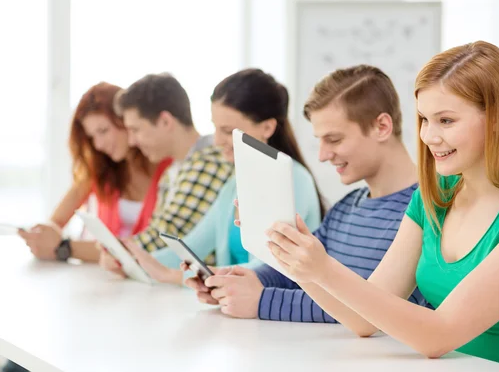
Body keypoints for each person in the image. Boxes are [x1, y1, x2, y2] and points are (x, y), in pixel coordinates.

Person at [264, 42, 499, 371]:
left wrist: (324, 269)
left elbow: (438, 336)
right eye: (424, 119)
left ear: (497, 119)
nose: (428, 136)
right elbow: (363, 319)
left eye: (446, 120)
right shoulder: (437, 195)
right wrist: (300, 263)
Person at [185, 65, 429, 321]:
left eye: (334, 140)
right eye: (320, 141)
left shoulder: (426, 210)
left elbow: (374, 306)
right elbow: (299, 273)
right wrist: (235, 281)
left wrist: (261, 301)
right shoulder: (346, 208)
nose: (322, 156)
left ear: (381, 127)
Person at [118, 68, 325, 285]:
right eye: (215, 128)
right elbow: (195, 245)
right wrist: (134, 261)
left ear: (267, 127)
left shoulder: (293, 181)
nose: (217, 141)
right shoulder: (234, 185)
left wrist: (181, 276)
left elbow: (271, 267)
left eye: (227, 131)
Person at [17, 82, 171, 262]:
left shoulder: (168, 168)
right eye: (92, 137)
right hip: (105, 278)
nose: (98, 144)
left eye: (103, 131)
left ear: (126, 121)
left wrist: (64, 247)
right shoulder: (100, 170)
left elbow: (153, 248)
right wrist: (44, 233)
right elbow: (56, 221)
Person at [98, 73, 233, 276]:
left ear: (165, 121)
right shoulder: (172, 172)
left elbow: (167, 235)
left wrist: (119, 251)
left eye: (136, 129)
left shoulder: (208, 164)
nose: (132, 141)